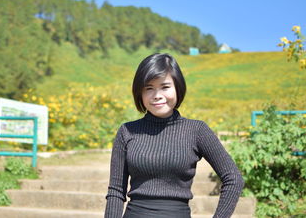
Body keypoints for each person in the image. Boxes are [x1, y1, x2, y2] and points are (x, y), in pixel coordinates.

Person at [104, 53, 244, 218]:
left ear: (178, 87)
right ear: (139, 93)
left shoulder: (196, 130)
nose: (157, 95)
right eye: (149, 88)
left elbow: (233, 178)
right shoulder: (127, 131)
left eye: (165, 87)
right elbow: (116, 191)